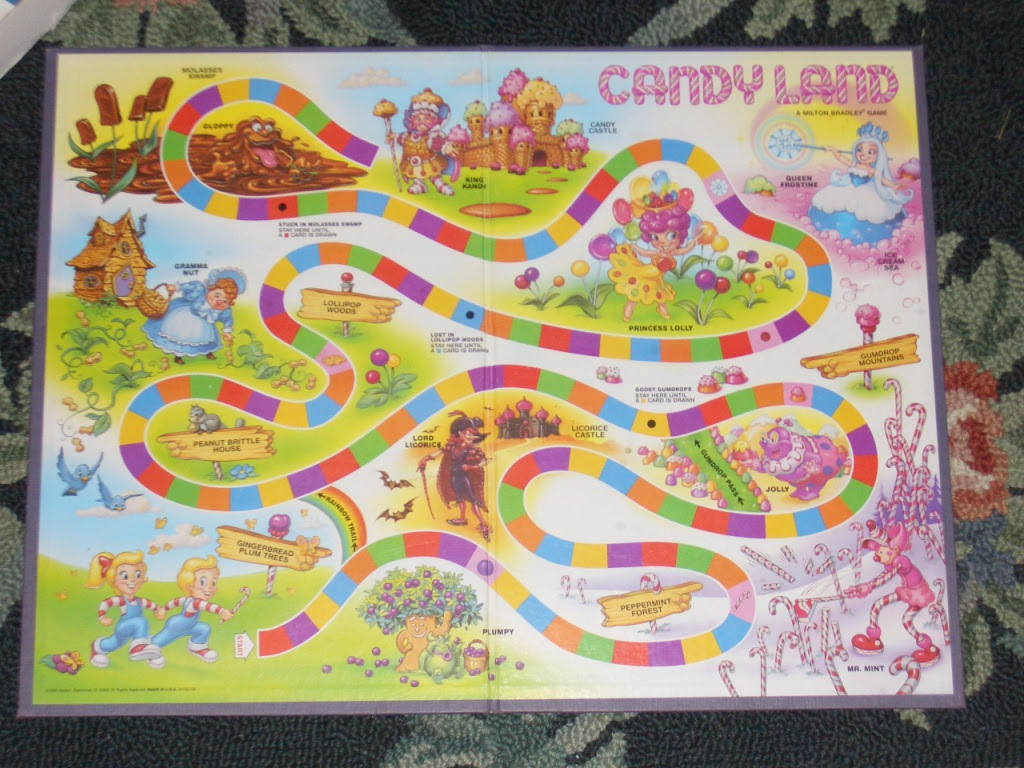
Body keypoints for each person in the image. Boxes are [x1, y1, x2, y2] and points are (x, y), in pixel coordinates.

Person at [807, 122, 912, 246]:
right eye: (860, 150)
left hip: (865, 194)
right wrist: (833, 149)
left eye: (870, 152)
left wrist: (894, 186)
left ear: (879, 156)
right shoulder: (854, 165)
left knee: (870, 212)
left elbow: (882, 179)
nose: (863, 154)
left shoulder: (871, 170)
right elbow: (840, 158)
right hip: (848, 189)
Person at [609, 203, 694, 321]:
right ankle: (627, 315)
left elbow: (686, 249)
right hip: (641, 274)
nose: (662, 242)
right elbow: (646, 253)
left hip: (655, 279)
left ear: (681, 234)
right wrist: (636, 248)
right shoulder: (657, 253)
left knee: (661, 297)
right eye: (655, 237)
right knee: (633, 295)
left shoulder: (672, 252)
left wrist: (694, 240)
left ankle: (664, 313)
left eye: (671, 235)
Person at [142, 267, 246, 364]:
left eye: (225, 301)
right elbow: (189, 287)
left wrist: (227, 332)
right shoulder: (200, 291)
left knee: (206, 337)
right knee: (181, 334)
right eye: (217, 295)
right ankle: (178, 355)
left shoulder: (223, 310)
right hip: (187, 317)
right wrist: (176, 287)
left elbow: (227, 319)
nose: (219, 301)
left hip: (205, 324)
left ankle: (207, 352)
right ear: (211, 290)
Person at [84, 550, 166, 669]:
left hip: (134, 630)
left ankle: (98, 648)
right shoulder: (121, 600)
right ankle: (139, 649)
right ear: (114, 580)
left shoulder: (139, 601)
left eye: (138, 575)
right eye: (125, 576)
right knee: (141, 622)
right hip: (123, 627)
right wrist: (102, 617)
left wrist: (158, 610)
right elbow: (106, 603)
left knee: (113, 644)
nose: (132, 580)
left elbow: (151, 605)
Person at [418, 411, 490, 538]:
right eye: (469, 433)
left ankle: (483, 524)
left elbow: (485, 462)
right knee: (459, 498)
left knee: (472, 500)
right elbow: (438, 453)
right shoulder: (452, 447)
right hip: (454, 477)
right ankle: (462, 518)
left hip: (464, 477)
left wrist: (471, 467)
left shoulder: (471, 449)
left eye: (473, 434)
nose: (472, 437)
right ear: (460, 433)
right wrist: (425, 459)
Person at [153, 555, 233, 663]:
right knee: (161, 640)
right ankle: (151, 649)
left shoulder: (187, 599)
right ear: (189, 585)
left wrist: (164, 609)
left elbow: (175, 602)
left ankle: (197, 647)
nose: (210, 587)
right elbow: (208, 606)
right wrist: (221, 611)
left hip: (190, 625)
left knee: (204, 629)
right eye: (203, 581)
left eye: (213, 582)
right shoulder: (196, 602)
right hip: (178, 626)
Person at [385, 88, 457, 196]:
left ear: (434, 121)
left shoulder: (432, 136)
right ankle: (420, 185)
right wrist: (393, 137)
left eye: (426, 119)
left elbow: (438, 144)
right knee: (416, 175)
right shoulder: (408, 135)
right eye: (418, 119)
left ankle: (439, 184)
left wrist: (446, 148)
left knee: (434, 174)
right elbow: (401, 138)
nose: (421, 122)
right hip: (413, 163)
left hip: (429, 160)